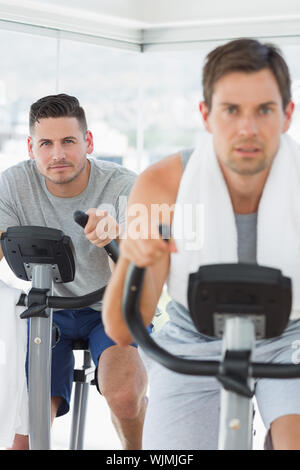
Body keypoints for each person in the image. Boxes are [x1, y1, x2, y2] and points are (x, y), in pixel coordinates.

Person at [102, 38, 300, 450]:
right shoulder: (162, 184)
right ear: (206, 115)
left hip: (291, 341)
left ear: (287, 115)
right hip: (193, 342)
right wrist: (132, 262)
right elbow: (122, 329)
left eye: (264, 110)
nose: (247, 128)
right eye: (231, 110)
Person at [0, 93, 150, 450]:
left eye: (68, 141)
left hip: (109, 306)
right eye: (46, 143)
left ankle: (136, 451)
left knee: (124, 395)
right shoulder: (12, 185)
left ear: (89, 142)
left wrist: (114, 240)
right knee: (25, 436)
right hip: (44, 310)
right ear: (31, 147)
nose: (58, 155)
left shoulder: (125, 185)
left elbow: (139, 272)